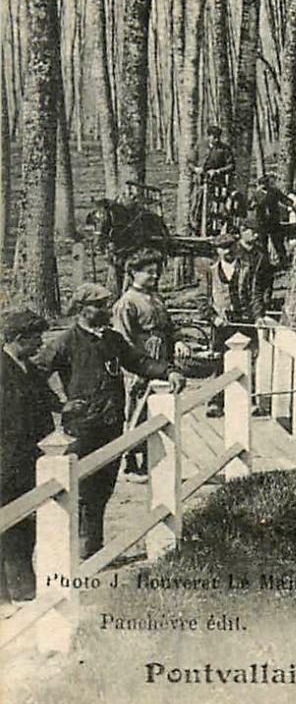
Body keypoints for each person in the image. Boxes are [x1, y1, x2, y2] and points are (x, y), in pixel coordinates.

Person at [33, 285, 184, 558]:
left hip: (112, 424)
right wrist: (59, 405)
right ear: (82, 309)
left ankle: (93, 548)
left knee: (103, 488)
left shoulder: (112, 340)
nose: (106, 310)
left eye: (106, 304)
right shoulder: (65, 341)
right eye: (99, 306)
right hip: (82, 427)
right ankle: (79, 552)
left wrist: (168, 371)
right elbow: (35, 375)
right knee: (82, 490)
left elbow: (139, 361)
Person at [0, 308, 57, 608]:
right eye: (36, 339)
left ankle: (22, 587)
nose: (40, 344)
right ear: (19, 339)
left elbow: (47, 398)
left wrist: (67, 407)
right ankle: (8, 594)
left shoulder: (29, 368)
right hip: (6, 461)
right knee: (7, 525)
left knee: (26, 524)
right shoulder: (2, 370)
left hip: (29, 458)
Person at [111, 249, 179, 479]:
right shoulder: (127, 303)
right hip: (138, 361)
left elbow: (168, 326)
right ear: (133, 273)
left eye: (157, 272)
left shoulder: (155, 297)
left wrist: (176, 343)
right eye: (149, 272)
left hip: (160, 357)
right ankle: (129, 462)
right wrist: (137, 369)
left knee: (156, 408)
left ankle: (151, 460)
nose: (155, 276)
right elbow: (124, 340)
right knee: (135, 411)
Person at [203, 230, 274, 355]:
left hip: (245, 323)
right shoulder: (210, 272)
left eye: (230, 246)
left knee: (250, 359)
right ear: (217, 250)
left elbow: (255, 294)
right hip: (222, 326)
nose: (228, 251)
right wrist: (214, 318)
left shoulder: (248, 268)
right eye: (223, 248)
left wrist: (258, 316)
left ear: (236, 247)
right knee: (221, 364)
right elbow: (203, 301)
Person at [190, 125, 236, 235]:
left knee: (214, 206)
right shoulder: (200, 146)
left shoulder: (224, 149)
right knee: (196, 203)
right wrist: (196, 169)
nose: (216, 139)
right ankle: (195, 226)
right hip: (200, 181)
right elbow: (190, 162)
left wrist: (217, 171)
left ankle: (211, 229)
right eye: (213, 137)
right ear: (209, 136)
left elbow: (231, 165)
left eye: (217, 137)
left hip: (216, 183)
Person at [247, 174, 295, 266]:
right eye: (262, 185)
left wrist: (291, 204)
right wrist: (253, 205)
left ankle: (283, 262)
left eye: (266, 184)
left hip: (273, 221)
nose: (264, 187)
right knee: (262, 244)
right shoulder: (256, 194)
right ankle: (265, 265)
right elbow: (250, 206)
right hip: (262, 222)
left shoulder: (274, 191)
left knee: (278, 242)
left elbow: (284, 199)